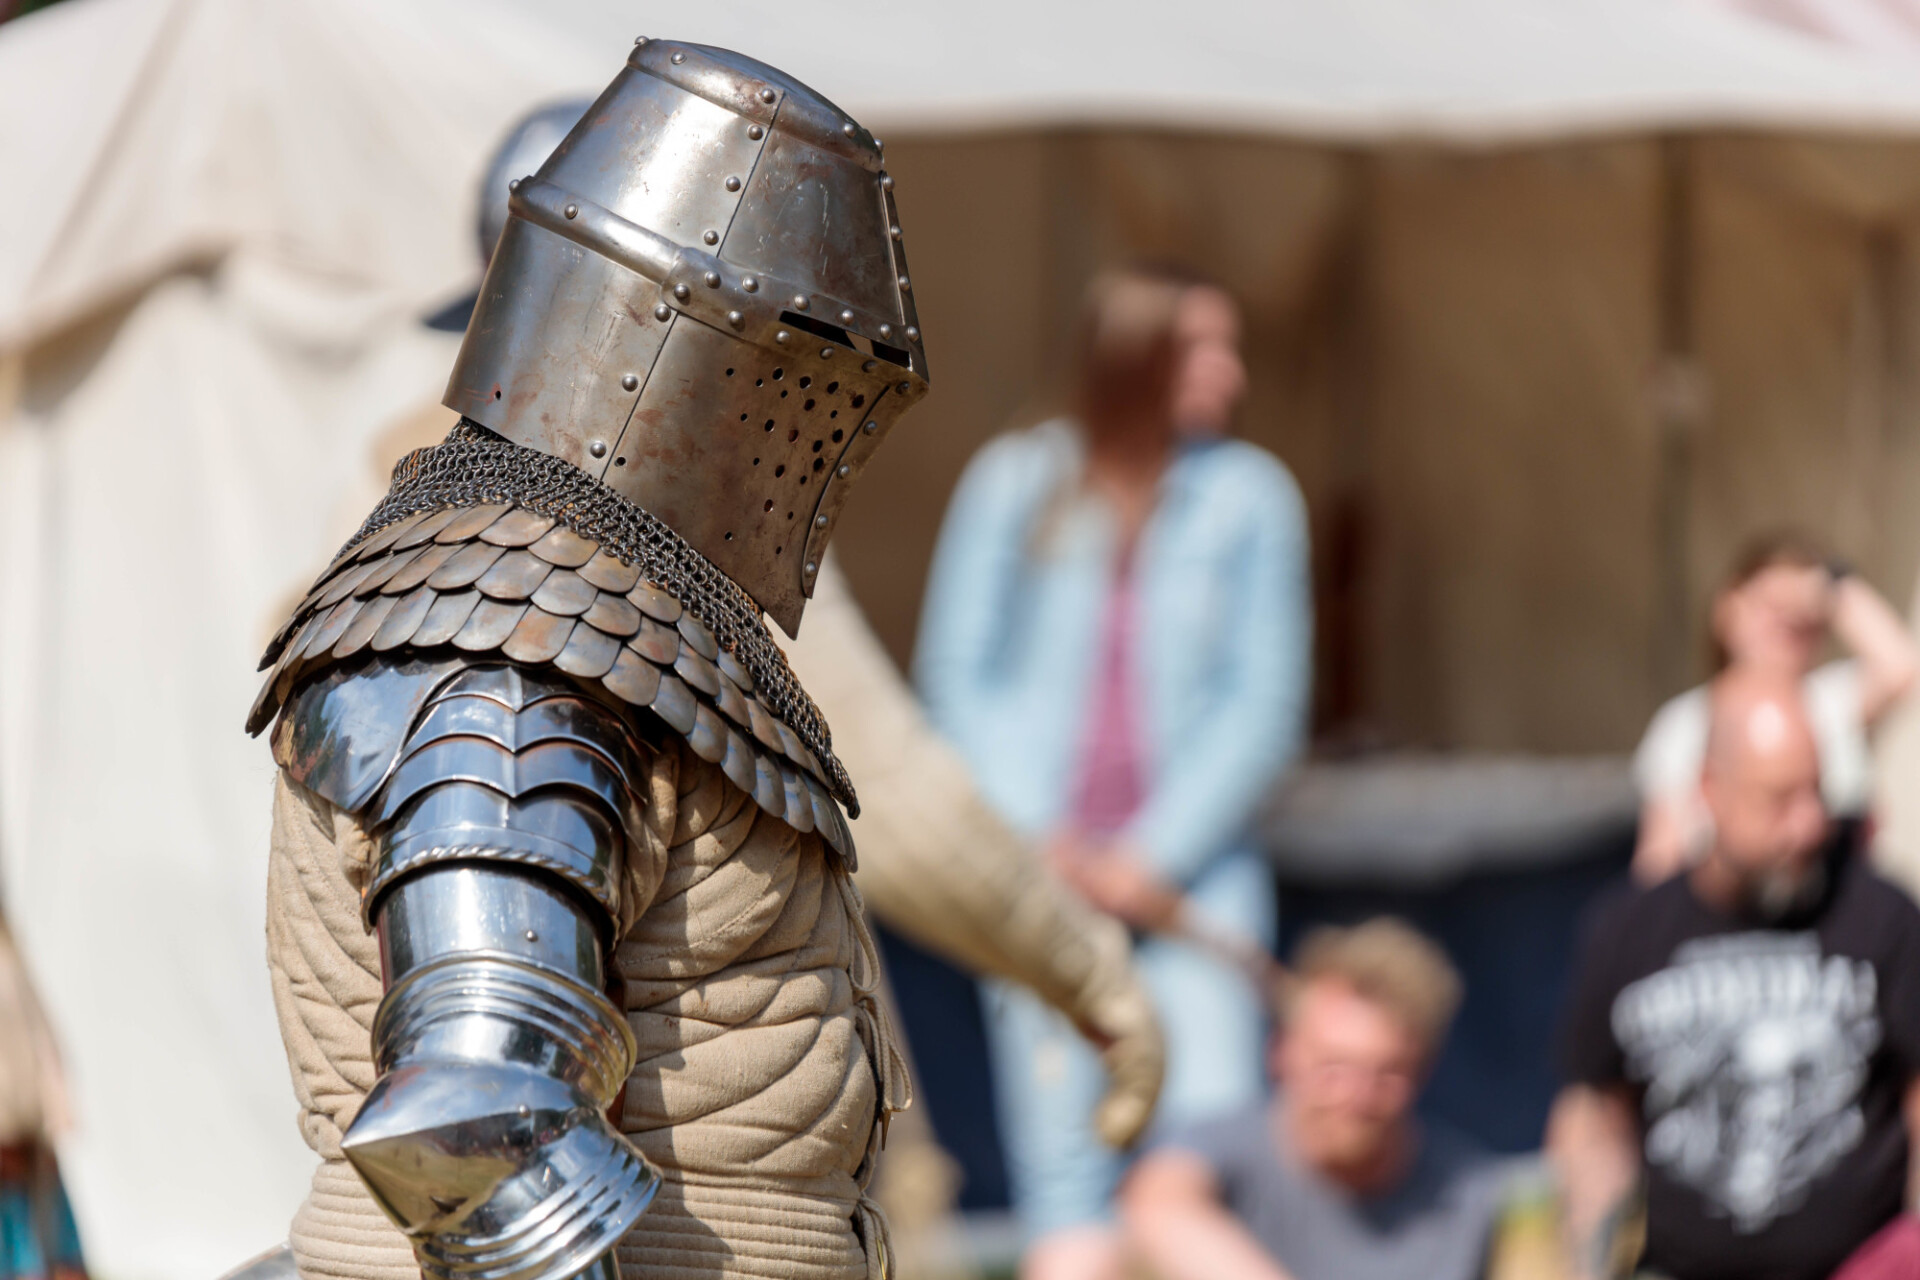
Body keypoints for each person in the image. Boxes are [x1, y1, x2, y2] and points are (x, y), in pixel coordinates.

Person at [240, 40, 936, 1280]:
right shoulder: (513, 641)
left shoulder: (614, 616)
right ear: (705, 354)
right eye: (804, 383)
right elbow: (472, 1124)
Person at [916, 266, 1312, 1279]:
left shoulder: (1252, 498)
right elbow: (956, 673)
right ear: (1137, 355)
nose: (1231, 370)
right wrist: (1039, 835)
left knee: (1204, 1161)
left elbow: (1263, 703)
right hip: (1041, 875)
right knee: (1067, 1171)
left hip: (1194, 881)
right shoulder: (1017, 479)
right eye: (1203, 347)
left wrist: (1152, 854)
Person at [1551, 670, 1920, 1280]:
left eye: (1816, 793)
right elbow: (1595, 1113)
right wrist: (1592, 1255)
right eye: (1778, 799)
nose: (1807, 825)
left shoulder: (1882, 917)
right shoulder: (1629, 930)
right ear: (1709, 790)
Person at [1121, 918, 1503, 1280]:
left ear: (1424, 1072)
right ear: (1281, 1052)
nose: (1355, 1096)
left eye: (1386, 1075)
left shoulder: (1468, 1192)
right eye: (1333, 1068)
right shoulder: (1225, 1148)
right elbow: (1158, 1201)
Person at [1632, 532, 1917, 884]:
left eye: (1802, 622)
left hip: (1840, 908)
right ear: (1728, 609)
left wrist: (1831, 584)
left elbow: (1902, 667)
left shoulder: (1829, 700)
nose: (1787, 627)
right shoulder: (1685, 721)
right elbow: (1659, 861)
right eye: (1771, 611)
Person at [0, 910, 84, 1280]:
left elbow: (33, 1029)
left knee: (53, 1249)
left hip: (26, 1120)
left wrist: (54, 1106)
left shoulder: (8, 953)